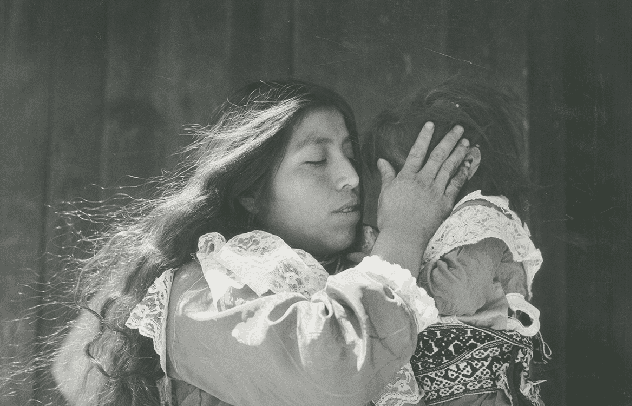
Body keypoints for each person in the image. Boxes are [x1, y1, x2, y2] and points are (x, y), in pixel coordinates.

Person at [50, 79, 473, 406]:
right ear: (250, 192)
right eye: (316, 160)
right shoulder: (199, 292)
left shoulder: (357, 271)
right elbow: (333, 370)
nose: (351, 177)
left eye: (349, 155)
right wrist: (403, 234)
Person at [363, 80, 550, 406]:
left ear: (467, 164)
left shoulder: (481, 221)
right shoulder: (450, 228)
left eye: (405, 175)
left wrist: (389, 255)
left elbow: (456, 293)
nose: (394, 194)